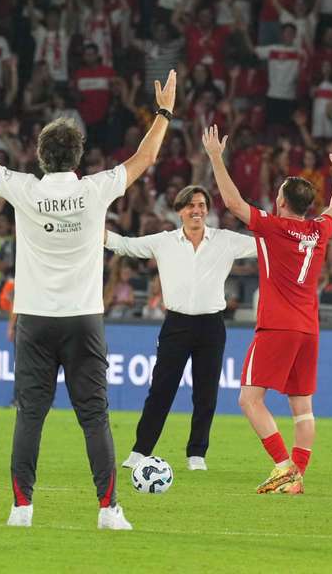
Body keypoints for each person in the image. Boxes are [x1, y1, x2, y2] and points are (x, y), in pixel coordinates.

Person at [0, 69, 177, 530]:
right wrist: (163, 113)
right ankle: (108, 511)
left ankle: (21, 509)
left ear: (41, 156)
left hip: (36, 322)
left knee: (30, 417)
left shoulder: (26, 189)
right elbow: (144, 158)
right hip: (83, 320)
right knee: (95, 418)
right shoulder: (94, 189)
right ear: (78, 155)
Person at [204, 124, 332, 494]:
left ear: (282, 202)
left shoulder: (273, 227)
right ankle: (297, 479)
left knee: (249, 399)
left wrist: (217, 158)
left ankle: (284, 465)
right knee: (304, 409)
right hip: (309, 328)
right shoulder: (319, 230)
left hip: (278, 325)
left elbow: (234, 203)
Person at [108, 185, 257, 472]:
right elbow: (125, 245)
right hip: (176, 324)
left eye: (201, 205)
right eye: (190, 206)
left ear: (207, 210)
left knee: (206, 393)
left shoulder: (225, 240)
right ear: (179, 211)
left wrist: (297, 232)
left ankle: (197, 453)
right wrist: (90, 230)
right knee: (161, 391)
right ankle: (141, 451)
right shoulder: (164, 241)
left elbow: (263, 243)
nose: (197, 211)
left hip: (212, 325)